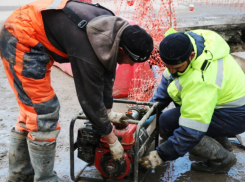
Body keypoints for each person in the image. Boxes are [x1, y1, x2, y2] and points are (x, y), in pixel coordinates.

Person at [0, 0, 153, 181]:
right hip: (21, 36)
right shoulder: (87, 51)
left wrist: (108, 113)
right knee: (43, 111)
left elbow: (108, 71)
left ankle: (19, 175)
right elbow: (89, 99)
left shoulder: (114, 29)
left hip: (37, 27)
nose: (132, 64)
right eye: (131, 59)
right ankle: (45, 178)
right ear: (120, 48)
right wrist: (111, 139)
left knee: (31, 112)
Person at [139, 28, 245, 173]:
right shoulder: (188, 42)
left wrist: (159, 156)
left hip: (236, 115)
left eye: (177, 67)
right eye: (168, 67)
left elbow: (191, 131)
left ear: (192, 55)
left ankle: (222, 159)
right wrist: (145, 112)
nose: (173, 72)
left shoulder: (202, 80)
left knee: (169, 123)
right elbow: (168, 81)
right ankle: (222, 143)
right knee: (177, 114)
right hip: (225, 104)